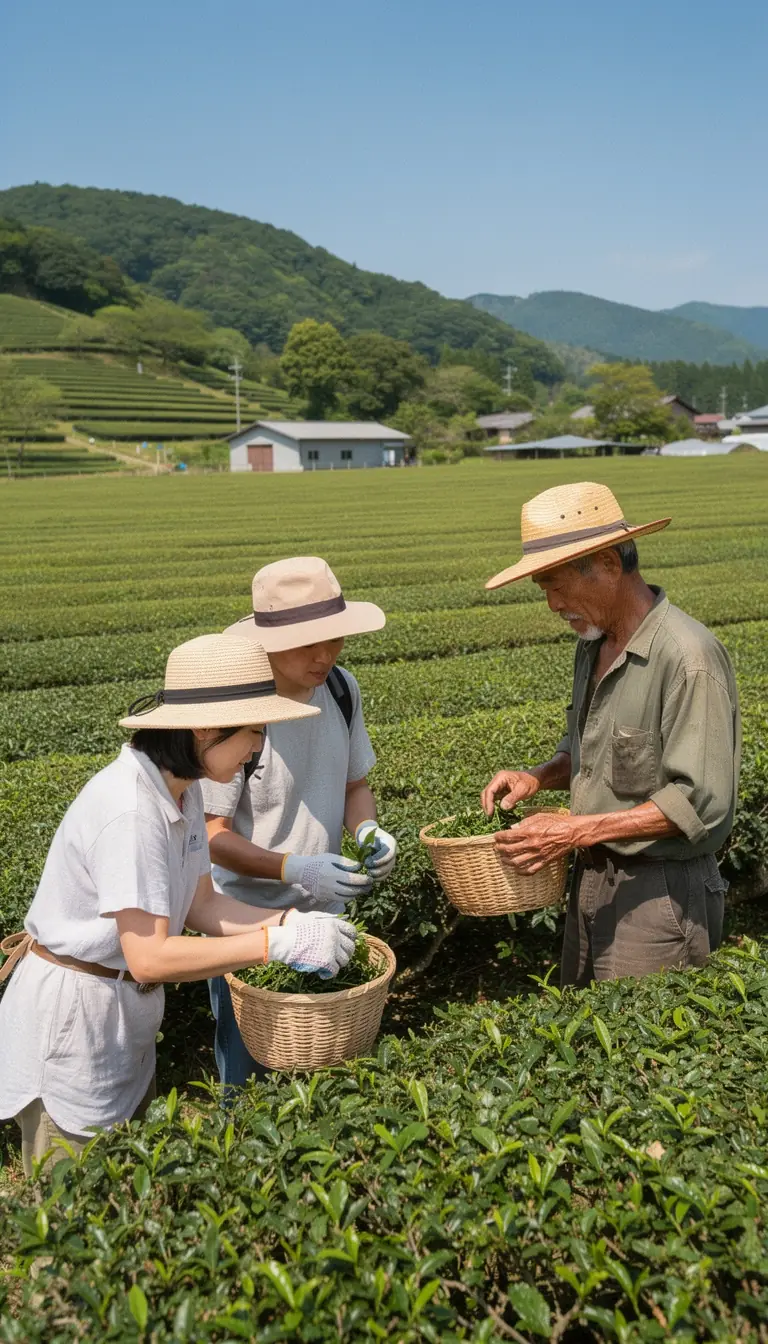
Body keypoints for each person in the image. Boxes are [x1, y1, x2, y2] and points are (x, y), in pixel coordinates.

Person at [0, 633, 357, 1176]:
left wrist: (288, 919)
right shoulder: (131, 811)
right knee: (71, 1211)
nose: (258, 749)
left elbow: (202, 905)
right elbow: (149, 957)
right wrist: (272, 945)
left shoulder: (181, 792)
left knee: (122, 1198)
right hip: (75, 1026)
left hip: (121, 1016)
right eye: (254, 733)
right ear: (205, 731)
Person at [481, 481, 740, 986]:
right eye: (545, 590)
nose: (553, 604)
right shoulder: (593, 644)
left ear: (607, 563)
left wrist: (573, 831)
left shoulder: (687, 657)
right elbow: (597, 750)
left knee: (643, 1055)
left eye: (557, 585)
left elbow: (702, 802)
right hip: (593, 878)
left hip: (659, 894)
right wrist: (540, 777)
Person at [203, 556, 398, 1088]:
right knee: (247, 1091)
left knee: (332, 1083)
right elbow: (212, 835)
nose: (324, 655)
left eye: (334, 639)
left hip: (330, 924)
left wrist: (366, 832)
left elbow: (354, 785)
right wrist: (295, 868)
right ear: (266, 641)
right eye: (307, 643)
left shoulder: (341, 689)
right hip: (251, 929)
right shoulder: (240, 708)